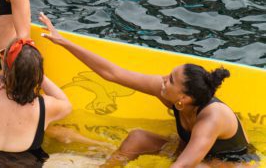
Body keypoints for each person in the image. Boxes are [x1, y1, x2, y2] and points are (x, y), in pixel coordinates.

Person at [39, 13, 255, 166]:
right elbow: (113, 73)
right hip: (191, 153)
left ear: (183, 99)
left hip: (230, 164)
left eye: (170, 80)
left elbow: (183, 166)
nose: (162, 80)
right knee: (137, 138)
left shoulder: (212, 118)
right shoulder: (171, 94)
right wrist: (63, 42)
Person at [0, 38, 72, 167]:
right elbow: (67, 104)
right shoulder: (44, 107)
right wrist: (37, 74)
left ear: (3, 65)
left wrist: (3, 76)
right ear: (38, 73)